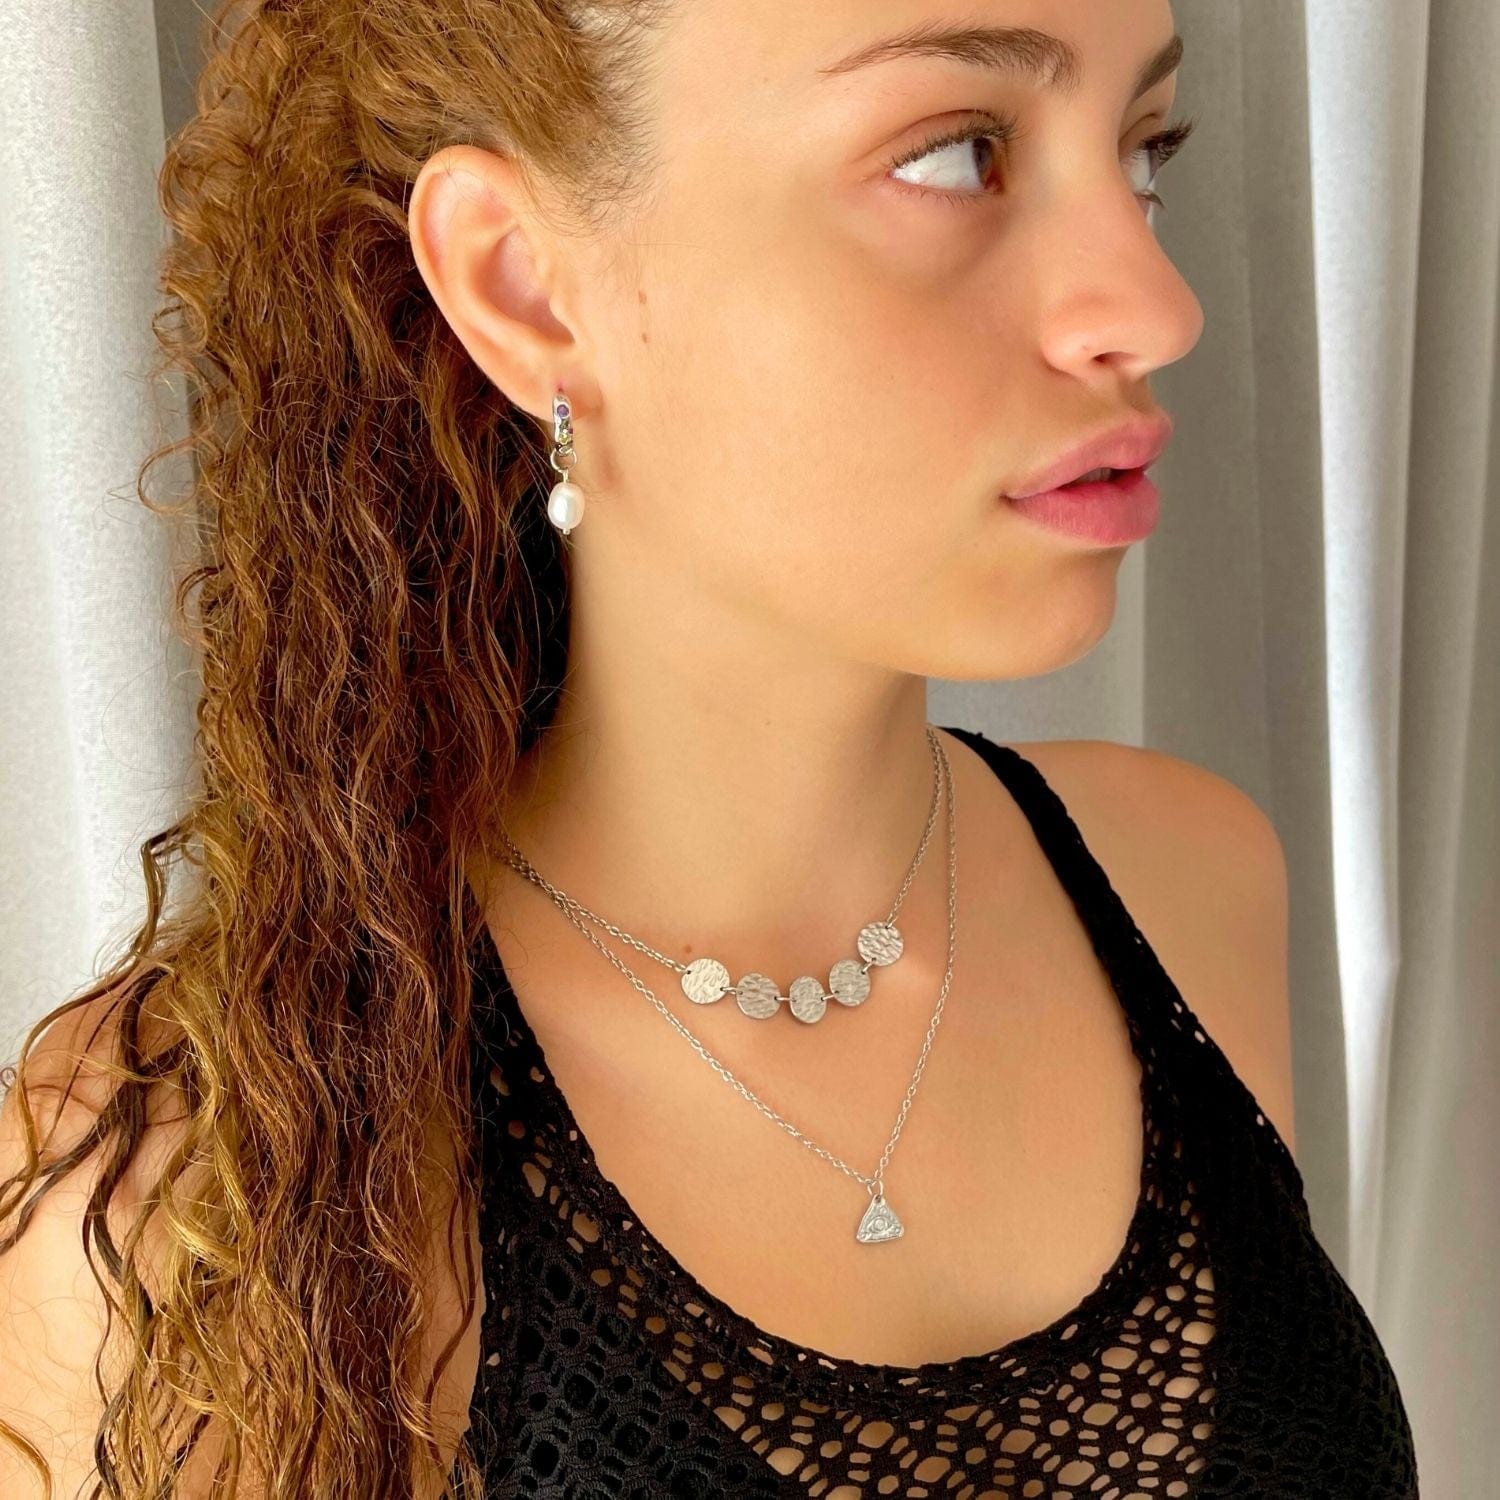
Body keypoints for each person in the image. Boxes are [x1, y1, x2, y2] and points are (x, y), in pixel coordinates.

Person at [0, 0, 1419, 1495]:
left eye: (1143, 153)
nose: (1152, 302)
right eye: (957, 157)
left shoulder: (1189, 880)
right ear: (527, 284)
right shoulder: (192, 1170)